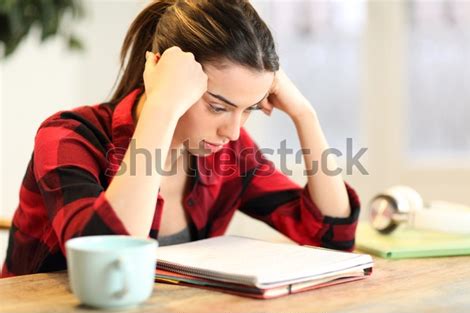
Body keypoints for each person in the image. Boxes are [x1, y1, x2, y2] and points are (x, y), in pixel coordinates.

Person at [1, 0, 360, 278]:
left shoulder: (230, 152)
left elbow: (331, 239)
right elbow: (108, 261)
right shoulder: (69, 136)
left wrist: (304, 115)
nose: (233, 132)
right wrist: (162, 106)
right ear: (167, 76)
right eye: (218, 107)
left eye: (249, 108)